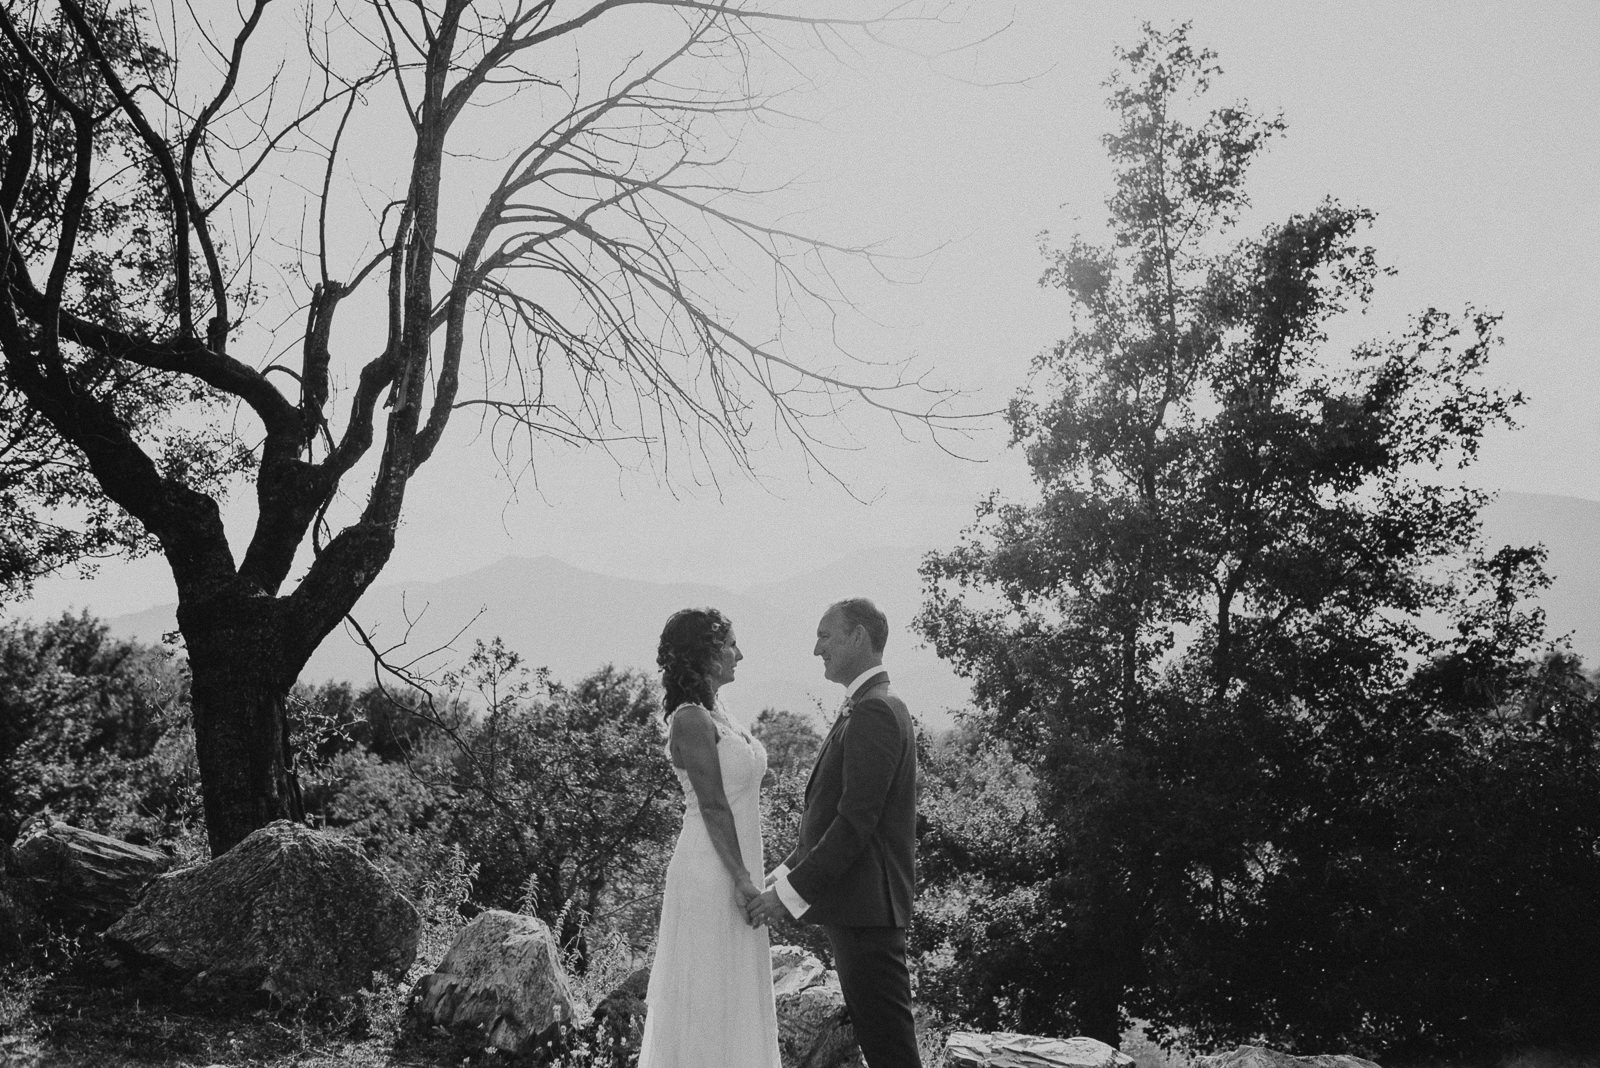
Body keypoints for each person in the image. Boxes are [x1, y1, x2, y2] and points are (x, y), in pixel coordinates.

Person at [746, 597, 922, 1068]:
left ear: (858, 636)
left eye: (826, 635)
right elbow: (824, 820)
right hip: (859, 912)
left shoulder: (875, 712)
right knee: (883, 1045)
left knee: (892, 1052)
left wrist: (787, 896)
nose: (816, 647)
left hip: (868, 913)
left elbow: (854, 823)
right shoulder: (868, 705)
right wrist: (778, 876)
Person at [636, 607, 782, 1068]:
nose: (740, 654)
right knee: (706, 990)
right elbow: (715, 804)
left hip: (738, 863)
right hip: (710, 869)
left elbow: (742, 791)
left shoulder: (718, 712)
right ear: (706, 654)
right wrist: (741, 879)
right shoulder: (690, 720)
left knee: (735, 988)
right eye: (730, 644)